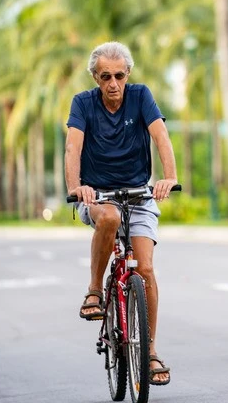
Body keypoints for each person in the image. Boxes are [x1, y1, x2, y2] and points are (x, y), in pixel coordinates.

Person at [65, 41, 177, 386]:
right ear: (95, 78)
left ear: (128, 74)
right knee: (110, 219)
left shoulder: (141, 96)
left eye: (118, 76)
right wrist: (77, 187)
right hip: (98, 193)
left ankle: (151, 350)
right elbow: (73, 146)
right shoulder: (83, 103)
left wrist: (169, 177)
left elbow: (160, 135)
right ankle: (95, 290)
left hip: (139, 193)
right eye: (104, 77)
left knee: (144, 268)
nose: (112, 84)